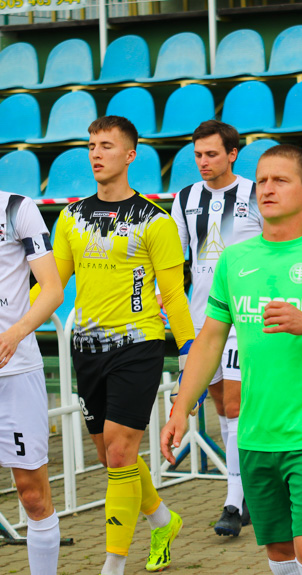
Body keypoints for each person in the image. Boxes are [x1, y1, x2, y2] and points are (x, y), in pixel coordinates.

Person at [162, 144, 302, 575]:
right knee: (281, 553)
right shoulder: (235, 259)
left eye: (280, 180)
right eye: (262, 180)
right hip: (256, 435)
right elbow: (210, 340)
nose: (267, 189)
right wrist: (180, 407)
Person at [34, 116, 195, 574]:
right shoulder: (70, 216)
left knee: (122, 454)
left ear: (130, 155)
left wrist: (189, 352)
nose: (96, 154)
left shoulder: (156, 221)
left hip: (137, 345)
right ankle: (163, 520)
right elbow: (51, 286)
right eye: (91, 146)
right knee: (110, 457)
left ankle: (112, 565)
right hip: (85, 348)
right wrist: (18, 325)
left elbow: (173, 295)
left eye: (106, 145)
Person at [170, 120, 262, 536]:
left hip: (245, 316)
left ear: (232, 154)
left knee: (236, 405)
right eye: (198, 155)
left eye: (211, 154)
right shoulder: (185, 198)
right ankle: (245, 496)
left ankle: (231, 500)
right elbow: (176, 260)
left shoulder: (255, 193)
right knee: (221, 405)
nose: (203, 162)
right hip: (201, 319)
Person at [0, 192, 64, 574]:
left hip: (16, 372)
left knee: (33, 497)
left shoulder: (16, 208)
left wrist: (16, 333)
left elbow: (53, 289)